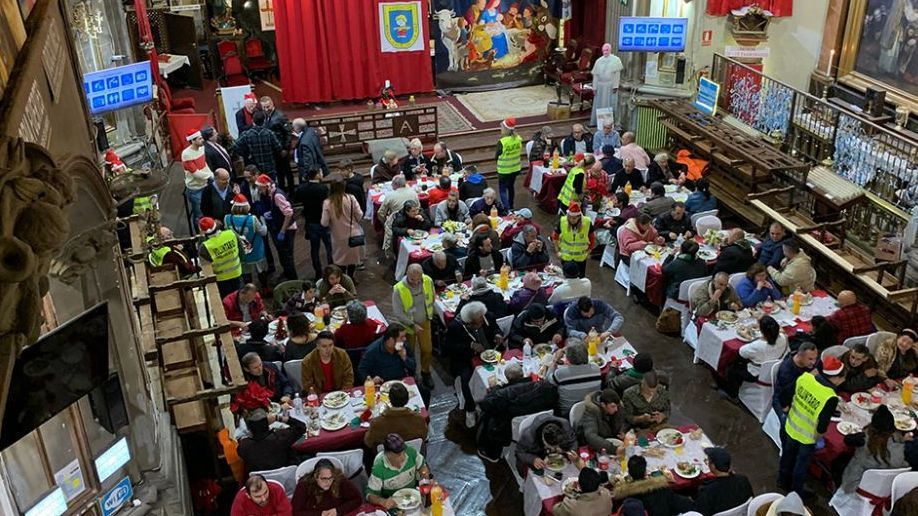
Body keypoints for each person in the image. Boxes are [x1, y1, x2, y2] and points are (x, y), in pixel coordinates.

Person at [779, 355, 844, 494]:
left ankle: (782, 480)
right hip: (807, 436)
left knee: (787, 456)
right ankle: (797, 491)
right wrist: (818, 437)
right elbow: (822, 425)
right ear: (836, 378)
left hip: (791, 425)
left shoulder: (805, 377)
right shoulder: (830, 396)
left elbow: (785, 394)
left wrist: (786, 407)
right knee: (801, 465)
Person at [476, 363, 559, 461]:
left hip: (509, 428)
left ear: (507, 378)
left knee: (488, 415)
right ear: (523, 374)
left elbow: (485, 405)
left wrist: (494, 388)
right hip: (539, 424)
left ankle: (492, 452)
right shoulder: (543, 387)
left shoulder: (502, 394)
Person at [446, 301, 503, 427]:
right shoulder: (456, 327)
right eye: (477, 323)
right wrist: (470, 345)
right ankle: (470, 409)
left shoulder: (488, 316)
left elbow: (495, 328)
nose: (481, 324)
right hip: (466, 358)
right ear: (469, 322)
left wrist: (498, 334)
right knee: (466, 380)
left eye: (482, 320)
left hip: (491, 352)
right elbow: (450, 348)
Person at [841, 405, 910, 493]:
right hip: (887, 489)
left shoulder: (863, 441)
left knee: (841, 460)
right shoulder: (898, 442)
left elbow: (847, 440)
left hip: (857, 487)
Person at [391, 264, 434, 389]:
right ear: (407, 275)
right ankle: (412, 373)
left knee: (427, 349)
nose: (415, 282)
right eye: (412, 279)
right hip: (407, 326)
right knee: (409, 353)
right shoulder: (399, 289)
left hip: (424, 321)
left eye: (418, 279)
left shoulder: (427, 280)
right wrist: (412, 325)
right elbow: (398, 313)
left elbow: (431, 297)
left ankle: (426, 372)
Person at [725, 316, 788, 398]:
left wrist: (747, 336)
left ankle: (732, 394)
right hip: (774, 369)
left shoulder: (758, 345)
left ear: (762, 331)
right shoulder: (783, 338)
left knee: (732, 368)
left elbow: (741, 352)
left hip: (757, 373)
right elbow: (782, 332)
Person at [613, 455, 695, 515]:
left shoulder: (626, 496)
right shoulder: (661, 487)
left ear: (629, 473)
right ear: (645, 472)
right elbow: (677, 501)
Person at [237, 408, 306, 474]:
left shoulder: (244, 446)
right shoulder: (279, 437)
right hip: (287, 473)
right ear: (267, 424)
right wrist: (278, 418)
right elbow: (301, 427)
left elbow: (240, 450)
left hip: (261, 479)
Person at [255, 174, 298, 281]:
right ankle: (287, 274)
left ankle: (293, 280)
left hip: (287, 230)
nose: (259, 190)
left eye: (260, 188)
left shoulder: (277, 195)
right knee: (282, 255)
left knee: (287, 257)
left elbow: (288, 214)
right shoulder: (271, 194)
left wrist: (282, 231)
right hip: (279, 227)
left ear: (266, 186)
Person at [366, 433, 426, 509]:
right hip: (393, 504)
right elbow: (370, 494)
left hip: (414, 498)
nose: (403, 457)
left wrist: (425, 480)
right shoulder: (379, 467)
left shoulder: (411, 452)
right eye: (398, 455)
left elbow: (423, 467)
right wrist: (383, 501)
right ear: (388, 454)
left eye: (403, 452)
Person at [364, 382, 428, 450]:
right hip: (414, 453)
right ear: (407, 399)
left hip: (387, 458)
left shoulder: (376, 423)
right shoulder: (419, 419)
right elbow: (424, 436)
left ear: (390, 399)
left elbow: (368, 442)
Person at [294, 169, 332, 280]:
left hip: (310, 222)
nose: (322, 174)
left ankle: (318, 272)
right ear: (316, 175)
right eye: (320, 172)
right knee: (329, 247)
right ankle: (331, 269)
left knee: (314, 249)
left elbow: (298, 199)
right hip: (323, 221)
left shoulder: (302, 189)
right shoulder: (323, 188)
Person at [224, 194, 269, 287]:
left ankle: (248, 290)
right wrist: (263, 222)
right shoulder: (252, 219)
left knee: (245, 272)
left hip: (239, 250)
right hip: (255, 250)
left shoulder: (227, 218)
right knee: (260, 270)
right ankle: (265, 288)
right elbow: (263, 232)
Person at [321, 180, 364, 278]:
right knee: (352, 259)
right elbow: (360, 215)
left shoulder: (327, 203)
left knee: (340, 260)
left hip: (337, 236)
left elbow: (324, 223)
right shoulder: (351, 198)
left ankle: (343, 278)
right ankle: (351, 278)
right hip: (353, 233)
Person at [291, 458, 362, 516]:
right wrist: (320, 514)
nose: (327, 482)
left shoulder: (339, 479)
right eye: (324, 478)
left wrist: (337, 510)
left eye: (330, 478)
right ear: (316, 477)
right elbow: (295, 512)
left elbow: (357, 499)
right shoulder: (304, 485)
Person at [547, 342, 602, 416]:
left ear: (568, 359)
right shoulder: (596, 368)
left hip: (568, 413)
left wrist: (555, 359)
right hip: (592, 409)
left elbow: (548, 379)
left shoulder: (561, 373)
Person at [514, 410, 578, 474]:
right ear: (543, 439)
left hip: (563, 459)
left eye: (557, 447)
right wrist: (533, 459)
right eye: (552, 447)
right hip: (539, 459)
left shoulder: (565, 425)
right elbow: (519, 452)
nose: (555, 450)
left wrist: (572, 451)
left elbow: (573, 441)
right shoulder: (528, 436)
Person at [694, 447, 754, 516]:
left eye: (709, 461)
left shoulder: (707, 492)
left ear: (713, 466)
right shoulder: (743, 480)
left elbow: (701, 513)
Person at [772, 342, 819, 427]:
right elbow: (785, 394)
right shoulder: (786, 371)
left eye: (815, 358)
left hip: (801, 396)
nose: (813, 362)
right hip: (783, 399)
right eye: (810, 359)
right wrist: (807, 378)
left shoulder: (808, 364)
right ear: (800, 356)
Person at [198, 216, 244, 298]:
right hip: (237, 272)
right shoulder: (231, 234)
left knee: (227, 301)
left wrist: (201, 237)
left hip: (221, 278)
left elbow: (201, 254)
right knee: (240, 298)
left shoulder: (205, 246)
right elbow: (241, 252)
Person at [181, 128, 215, 230]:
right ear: (192, 141)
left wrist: (210, 174)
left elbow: (204, 165)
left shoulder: (201, 148)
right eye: (200, 139)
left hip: (205, 184)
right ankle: (199, 235)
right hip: (195, 188)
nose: (202, 140)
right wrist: (210, 176)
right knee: (199, 214)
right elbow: (195, 173)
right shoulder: (186, 154)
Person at [552, 203, 595, 278]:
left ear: (579, 216)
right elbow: (555, 236)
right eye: (570, 217)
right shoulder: (562, 221)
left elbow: (592, 238)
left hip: (581, 258)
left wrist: (589, 251)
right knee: (566, 278)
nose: (572, 220)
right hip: (566, 257)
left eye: (574, 218)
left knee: (580, 278)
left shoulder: (587, 222)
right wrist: (557, 251)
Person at [235, 111, 283, 177]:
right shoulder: (270, 133)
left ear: (253, 121)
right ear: (264, 121)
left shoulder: (246, 134)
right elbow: (278, 147)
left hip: (254, 168)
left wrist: (245, 155)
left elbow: (235, 146)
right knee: (271, 185)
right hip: (269, 167)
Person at [577, 388, 626, 453]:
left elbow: (624, 421)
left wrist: (622, 431)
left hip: (610, 441)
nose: (616, 409)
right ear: (603, 405)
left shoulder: (617, 407)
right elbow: (591, 436)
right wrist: (613, 449)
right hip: (594, 447)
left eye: (617, 406)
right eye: (613, 406)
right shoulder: (591, 412)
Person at [494, 117, 523, 209]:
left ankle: (507, 210)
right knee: (511, 187)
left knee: (502, 190)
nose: (500, 129)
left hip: (504, 170)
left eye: (502, 127)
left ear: (505, 129)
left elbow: (497, 155)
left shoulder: (502, 142)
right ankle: (511, 206)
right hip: (515, 168)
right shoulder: (518, 139)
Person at [291, 118, 329, 184]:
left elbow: (308, 162)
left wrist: (306, 176)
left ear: (297, 129)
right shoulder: (311, 131)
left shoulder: (304, 143)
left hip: (308, 171)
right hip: (317, 165)